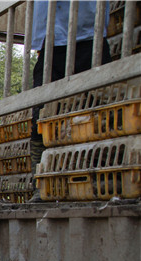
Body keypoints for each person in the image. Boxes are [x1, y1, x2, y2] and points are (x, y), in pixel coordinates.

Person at [29, 0, 111, 201]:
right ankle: (40, 184)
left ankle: (103, 179)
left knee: (100, 113)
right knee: (40, 117)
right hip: (51, 40)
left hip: (90, 31)